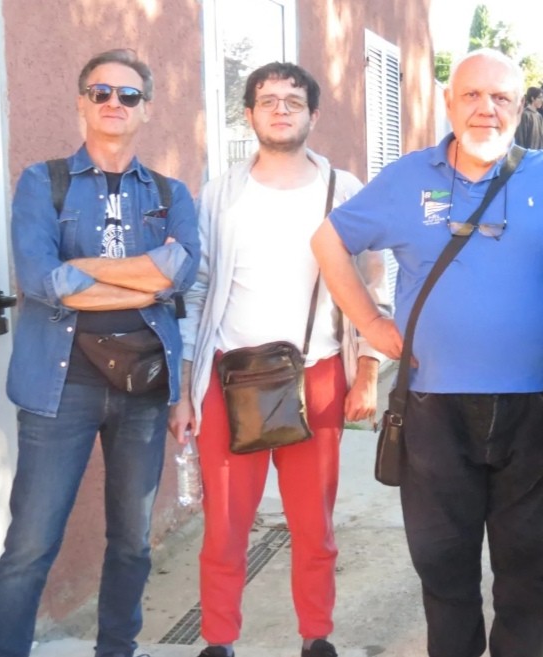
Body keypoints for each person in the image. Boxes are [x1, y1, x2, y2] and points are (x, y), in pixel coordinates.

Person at [311, 49, 543, 657]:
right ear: (449, 104)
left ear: (521, 108)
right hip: (432, 409)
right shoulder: (407, 178)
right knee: (444, 572)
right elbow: (328, 240)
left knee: (530, 573)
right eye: (472, 95)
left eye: (501, 97)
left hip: (536, 409)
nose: (486, 109)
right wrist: (370, 320)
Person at [169, 62, 388, 657]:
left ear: (313, 115)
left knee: (313, 526)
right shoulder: (220, 192)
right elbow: (196, 286)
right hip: (229, 375)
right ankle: (219, 640)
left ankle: (316, 636)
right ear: (249, 114)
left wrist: (366, 367)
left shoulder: (339, 189)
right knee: (224, 527)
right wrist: (185, 389)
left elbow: (372, 275)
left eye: (294, 99)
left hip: (315, 374)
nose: (281, 108)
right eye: (268, 99)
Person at [0, 49, 200, 657]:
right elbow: (40, 279)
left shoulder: (170, 192)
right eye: (101, 91)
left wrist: (83, 269)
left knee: (133, 540)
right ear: (81, 101)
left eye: (129, 95)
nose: (115, 103)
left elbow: (180, 274)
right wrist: (144, 276)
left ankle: (118, 649)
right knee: (31, 543)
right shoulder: (42, 181)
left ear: (147, 109)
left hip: (141, 385)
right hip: (59, 388)